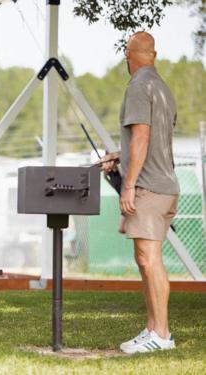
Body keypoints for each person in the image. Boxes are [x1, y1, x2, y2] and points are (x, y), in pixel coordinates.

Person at [100, 31, 179, 354]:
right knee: (145, 258)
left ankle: (161, 334)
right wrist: (121, 156)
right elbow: (154, 139)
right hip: (165, 183)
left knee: (149, 259)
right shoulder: (162, 88)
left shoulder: (137, 86)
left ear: (127, 56)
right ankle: (152, 329)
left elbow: (143, 138)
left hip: (149, 186)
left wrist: (128, 184)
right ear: (154, 55)